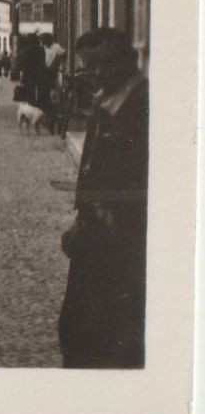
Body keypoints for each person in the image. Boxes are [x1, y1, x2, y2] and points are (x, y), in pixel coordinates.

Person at [58, 27, 147, 369]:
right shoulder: (108, 99)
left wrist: (100, 214)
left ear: (127, 61)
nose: (94, 74)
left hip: (117, 239)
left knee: (102, 331)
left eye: (101, 65)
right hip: (95, 232)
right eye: (88, 66)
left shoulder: (139, 105)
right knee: (79, 325)